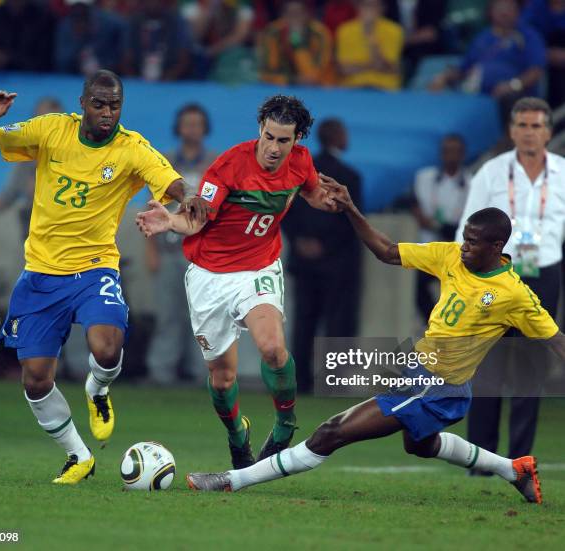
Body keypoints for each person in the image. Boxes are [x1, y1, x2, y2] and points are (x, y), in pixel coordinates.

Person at [186, 200, 565, 505]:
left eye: (473, 241)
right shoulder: (451, 255)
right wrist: (351, 208)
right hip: (417, 370)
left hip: (436, 385)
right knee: (420, 444)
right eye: (464, 237)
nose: (463, 245)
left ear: (497, 247)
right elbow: (386, 251)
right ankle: (514, 470)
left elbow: (554, 338)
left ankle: (232, 480)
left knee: (331, 432)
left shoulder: (514, 294)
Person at [0, 70, 208, 484]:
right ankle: (78, 456)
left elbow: (170, 179)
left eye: (115, 105)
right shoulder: (50, 131)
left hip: (95, 267)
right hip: (41, 274)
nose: (107, 112)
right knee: (36, 378)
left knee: (108, 347)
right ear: (82, 102)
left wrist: (187, 196)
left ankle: (97, 390)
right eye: (99, 104)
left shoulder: (130, 148)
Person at [136, 95, 339, 470]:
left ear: (297, 140)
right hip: (210, 276)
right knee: (223, 378)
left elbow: (309, 190)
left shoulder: (301, 161)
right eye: (269, 137)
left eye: (284, 140)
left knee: (273, 349)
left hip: (259, 267)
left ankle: (284, 425)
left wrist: (324, 200)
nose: (274, 148)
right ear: (259, 130)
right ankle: (237, 435)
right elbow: (197, 219)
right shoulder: (229, 165)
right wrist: (171, 222)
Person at [455, 97, 565, 466]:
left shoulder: (563, 172)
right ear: (511, 130)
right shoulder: (492, 172)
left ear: (548, 131)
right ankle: (482, 462)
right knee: (487, 367)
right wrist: (464, 274)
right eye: (522, 125)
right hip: (496, 274)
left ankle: (519, 461)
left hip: (544, 274)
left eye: (536, 126)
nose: (529, 132)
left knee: (530, 371)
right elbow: (466, 227)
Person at [282, 118, 362, 393]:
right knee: (337, 322)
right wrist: (326, 246)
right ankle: (333, 382)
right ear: (337, 136)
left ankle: (300, 381)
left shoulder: (298, 171)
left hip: (303, 262)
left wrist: (300, 241)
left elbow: (283, 211)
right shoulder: (349, 176)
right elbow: (352, 220)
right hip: (336, 263)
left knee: (303, 321)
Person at [145, 103, 219, 384]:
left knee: (204, 316)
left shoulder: (214, 163)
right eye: (187, 123)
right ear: (179, 127)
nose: (192, 129)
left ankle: (203, 374)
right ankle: (160, 372)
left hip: (202, 253)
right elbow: (151, 206)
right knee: (167, 314)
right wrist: (150, 249)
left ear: (205, 128)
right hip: (168, 248)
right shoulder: (165, 162)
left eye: (197, 123)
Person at [430, 0, 546, 127]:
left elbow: (536, 71)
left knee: (510, 99)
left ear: (518, 12)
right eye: (500, 8)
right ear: (490, 12)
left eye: (509, 8)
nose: (504, 12)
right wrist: (443, 77)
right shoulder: (481, 38)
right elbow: (464, 68)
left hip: (513, 95)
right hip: (478, 94)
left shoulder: (529, 37)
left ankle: (507, 139)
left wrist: (513, 85)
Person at [0, 97, 64, 238]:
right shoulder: (25, 161)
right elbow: (7, 197)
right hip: (35, 239)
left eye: (54, 124)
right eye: (43, 122)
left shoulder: (77, 156)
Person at [411, 134, 471, 322]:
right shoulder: (424, 177)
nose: (450, 155)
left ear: (462, 154)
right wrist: (418, 212)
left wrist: (438, 225)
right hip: (430, 247)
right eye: (446, 151)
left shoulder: (472, 183)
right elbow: (409, 201)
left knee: (460, 296)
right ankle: (435, 324)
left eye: (455, 151)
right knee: (418, 289)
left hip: (457, 250)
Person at [258, 0, 334, 86]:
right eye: (290, 14)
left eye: (298, 13)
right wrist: (292, 80)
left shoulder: (320, 34)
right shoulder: (273, 33)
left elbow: (313, 76)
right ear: (282, 15)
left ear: (307, 14)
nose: (294, 18)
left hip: (320, 89)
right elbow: (267, 72)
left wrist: (297, 42)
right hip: (282, 87)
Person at [335, 0, 404, 90]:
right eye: (365, 5)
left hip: (384, 89)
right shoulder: (345, 31)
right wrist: (371, 65)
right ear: (358, 7)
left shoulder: (394, 31)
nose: (369, 9)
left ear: (382, 8)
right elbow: (344, 70)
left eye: (373, 6)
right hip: (352, 88)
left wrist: (370, 34)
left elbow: (387, 67)